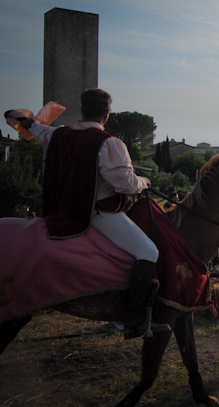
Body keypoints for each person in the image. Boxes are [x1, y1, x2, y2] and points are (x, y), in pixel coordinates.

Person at [19, 88, 170, 339]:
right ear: (106, 114)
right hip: (97, 216)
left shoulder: (59, 133)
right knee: (149, 251)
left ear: (83, 110)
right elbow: (125, 185)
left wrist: (25, 121)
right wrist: (144, 182)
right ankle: (135, 320)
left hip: (60, 211)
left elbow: (38, 131)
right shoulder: (109, 143)